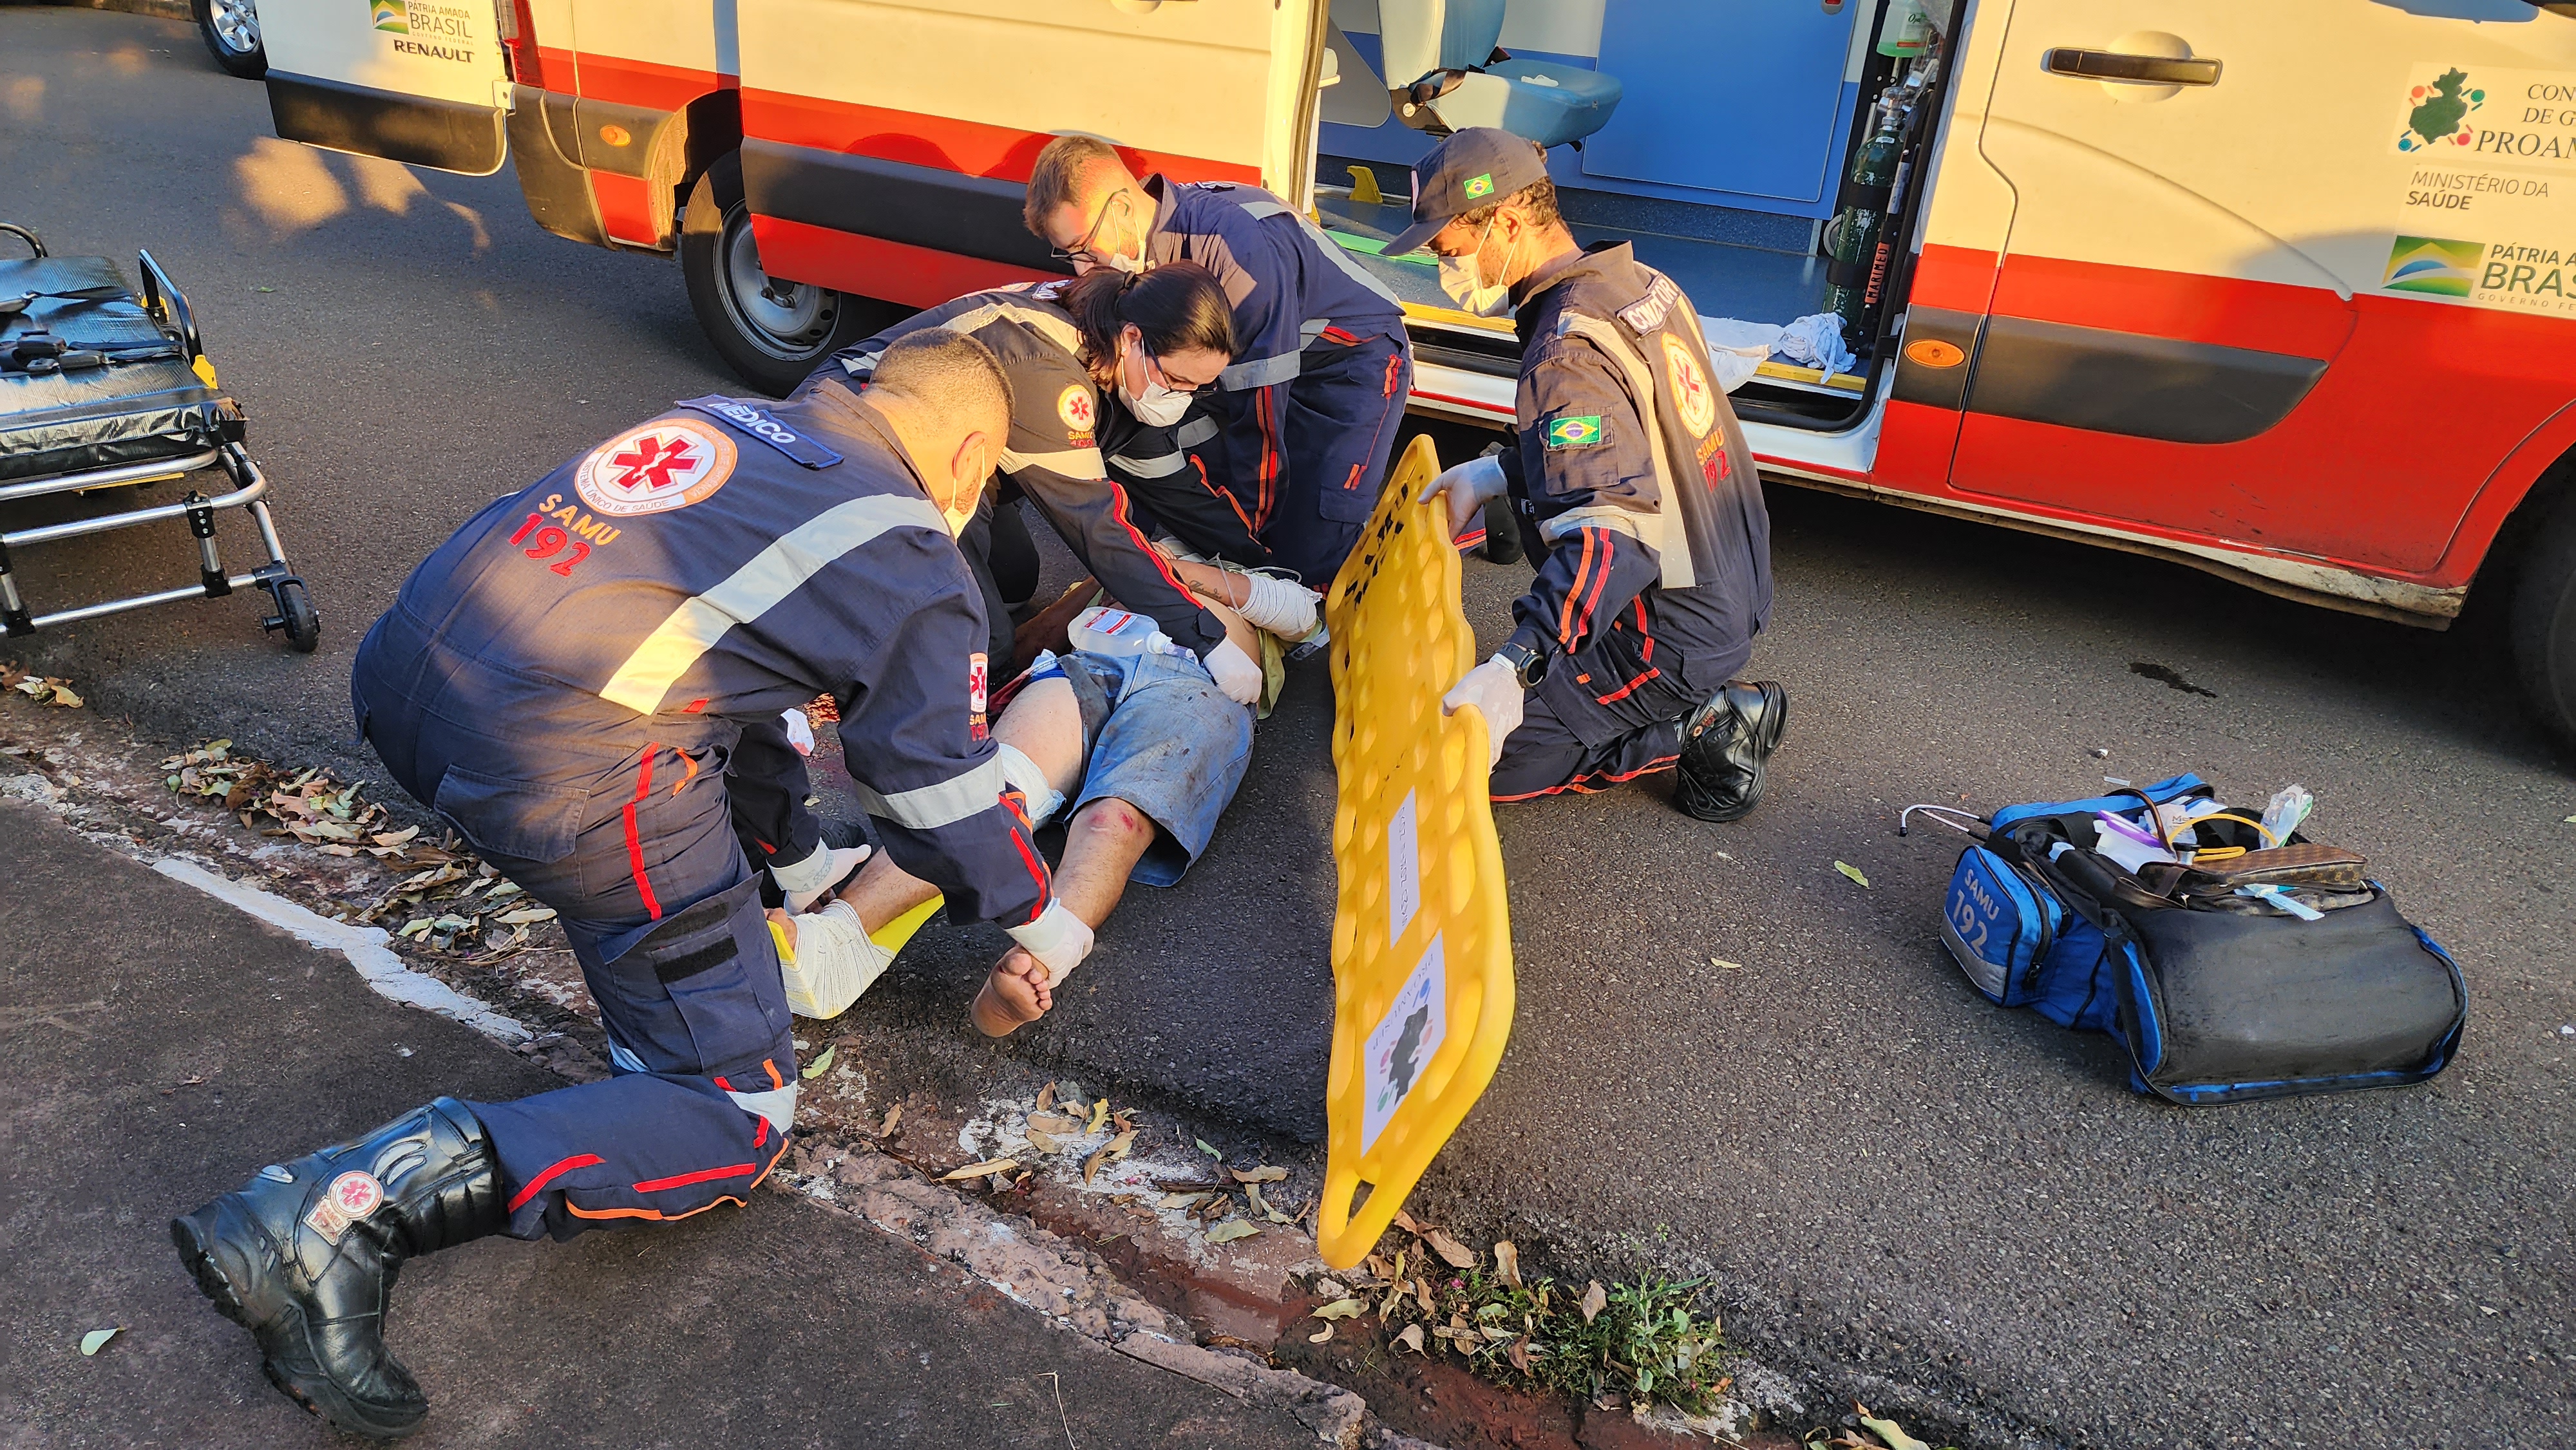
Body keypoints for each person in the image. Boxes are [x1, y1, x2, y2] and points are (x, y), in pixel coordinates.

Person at [169, 332, 1093, 1440]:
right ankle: (341, 1213)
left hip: (406, 681)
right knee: (735, 1110)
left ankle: (645, 1052)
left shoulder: (732, 424)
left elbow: (721, 669)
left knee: (673, 875)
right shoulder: (906, 547)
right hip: (565, 765)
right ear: (974, 451)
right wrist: (1050, 917)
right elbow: (938, 800)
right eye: (989, 480)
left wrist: (796, 862)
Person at [1390, 129, 1788, 820]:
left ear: (1507, 223)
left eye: (1447, 248)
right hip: (1731, 584)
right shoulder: (1640, 285)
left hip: (1664, 634)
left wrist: (1515, 663)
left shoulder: (1565, 353)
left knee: (1461, 767)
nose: (1442, 266)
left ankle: (1705, 725)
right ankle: (1678, 688)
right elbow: (1638, 441)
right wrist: (1503, 472)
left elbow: (1613, 540)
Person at [793, 263, 1320, 702]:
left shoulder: (1120, 363)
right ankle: (838, 623)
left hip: (964, 465)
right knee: (984, 651)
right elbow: (1095, 528)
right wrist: (1206, 640)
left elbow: (1177, 491)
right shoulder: (1048, 372)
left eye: (1197, 388)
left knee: (1017, 579)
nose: (1182, 397)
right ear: (1133, 339)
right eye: (1178, 381)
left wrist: (1272, 568)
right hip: (859, 451)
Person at [768, 588, 1271, 1037]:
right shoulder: (1123, 555)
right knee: (982, 793)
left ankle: (1033, 970)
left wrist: (1152, 562)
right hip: (1089, 662)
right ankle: (835, 941)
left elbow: (1292, 615)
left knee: (1111, 822)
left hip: (1198, 682)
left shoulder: (1255, 569)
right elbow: (1043, 630)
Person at [1023, 134, 1413, 588]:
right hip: (1274, 358)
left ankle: (1469, 523)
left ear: (1123, 209)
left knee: (1307, 551)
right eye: (1069, 255)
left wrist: (1248, 548)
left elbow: (1261, 417)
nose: (1084, 271)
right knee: (1203, 465)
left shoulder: (1235, 252)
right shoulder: (1148, 246)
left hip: (1353, 361)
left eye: (1087, 249)